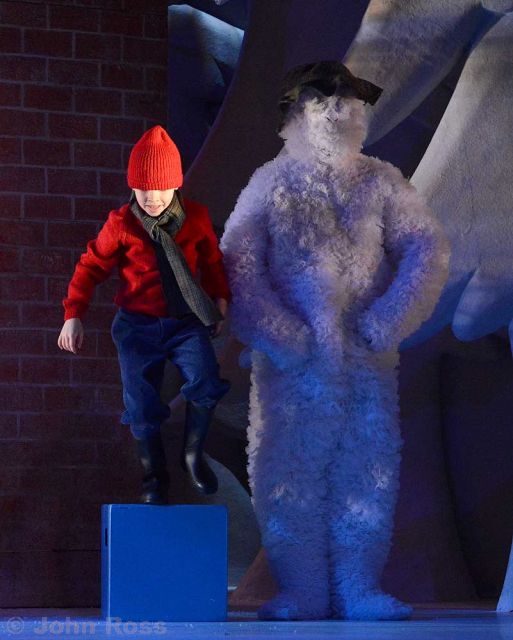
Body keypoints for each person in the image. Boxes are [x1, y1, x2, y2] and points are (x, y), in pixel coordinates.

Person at [220, 61, 449, 620]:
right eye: (323, 102)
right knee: (287, 473)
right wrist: (284, 338)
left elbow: (427, 247)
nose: (338, 111)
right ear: (297, 113)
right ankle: (300, 589)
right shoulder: (272, 183)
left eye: (348, 102)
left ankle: (358, 587)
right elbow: (238, 268)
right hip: (292, 371)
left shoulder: (380, 181)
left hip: (366, 363)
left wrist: (387, 321)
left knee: (367, 471)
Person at [58, 125, 231, 505]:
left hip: (184, 322)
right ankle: (154, 476)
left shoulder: (195, 218)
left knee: (205, 380)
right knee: (140, 402)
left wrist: (219, 298)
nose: (152, 198)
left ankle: (192, 456)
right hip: (137, 324)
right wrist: (74, 313)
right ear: (132, 187)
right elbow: (91, 266)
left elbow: (212, 261)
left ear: (176, 185)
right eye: (142, 189)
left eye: (161, 189)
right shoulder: (122, 223)